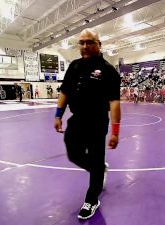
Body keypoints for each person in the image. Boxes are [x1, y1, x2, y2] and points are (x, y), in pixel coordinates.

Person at [53, 28, 121, 220]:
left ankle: (92, 199)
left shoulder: (108, 71)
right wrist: (58, 114)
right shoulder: (74, 66)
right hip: (77, 119)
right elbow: (65, 92)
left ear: (99, 44)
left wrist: (115, 131)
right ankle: (99, 168)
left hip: (97, 121)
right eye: (81, 42)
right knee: (73, 153)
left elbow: (114, 103)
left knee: (96, 157)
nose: (85, 46)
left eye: (89, 42)